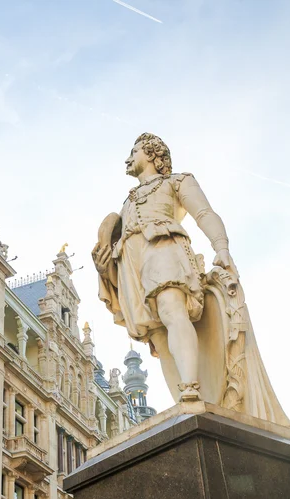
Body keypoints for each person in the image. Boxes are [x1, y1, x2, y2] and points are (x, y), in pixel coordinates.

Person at [92, 133, 237, 401]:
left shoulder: (177, 182)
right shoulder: (126, 204)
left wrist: (221, 247)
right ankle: (182, 400)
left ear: (151, 153)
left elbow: (204, 213)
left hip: (163, 247)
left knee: (172, 309)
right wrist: (104, 268)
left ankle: (191, 386)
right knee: (156, 333)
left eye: (133, 152)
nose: (127, 159)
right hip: (129, 262)